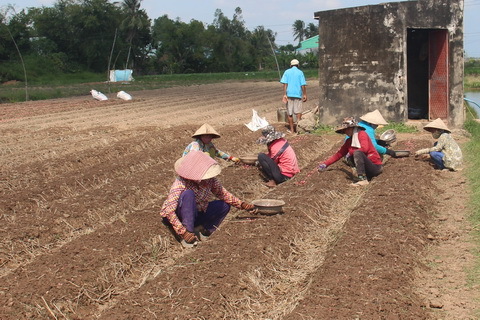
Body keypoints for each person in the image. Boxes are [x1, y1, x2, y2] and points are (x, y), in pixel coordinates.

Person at [160, 151, 256, 247]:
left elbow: (223, 194)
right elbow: (169, 211)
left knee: (223, 205)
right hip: (179, 215)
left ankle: (203, 230)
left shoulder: (210, 180)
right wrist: (183, 231)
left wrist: (242, 204)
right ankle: (188, 234)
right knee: (188, 194)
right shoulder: (180, 183)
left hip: (196, 213)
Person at [317, 117, 383, 187]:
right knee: (353, 155)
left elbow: (365, 148)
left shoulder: (362, 134)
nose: (346, 132)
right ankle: (362, 175)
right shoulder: (349, 141)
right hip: (367, 168)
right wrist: (325, 164)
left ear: (353, 128)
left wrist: (351, 152)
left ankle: (363, 179)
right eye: (345, 130)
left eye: (347, 129)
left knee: (357, 153)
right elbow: (339, 154)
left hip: (375, 167)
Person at [280, 59, 307, 134]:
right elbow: (303, 85)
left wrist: (285, 94)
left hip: (289, 95)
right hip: (298, 94)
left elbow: (285, 84)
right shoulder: (300, 72)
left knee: (290, 113)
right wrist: (304, 94)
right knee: (298, 112)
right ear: (298, 65)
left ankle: (292, 130)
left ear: (290, 65)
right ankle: (298, 129)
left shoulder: (287, 72)